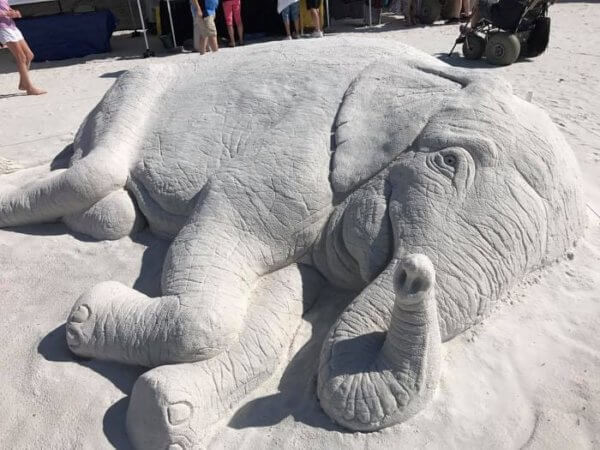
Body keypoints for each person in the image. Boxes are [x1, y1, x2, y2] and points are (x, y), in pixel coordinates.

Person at [0, 0, 45, 95]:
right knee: (21, 57)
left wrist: (15, 12)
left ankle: (23, 84)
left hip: (11, 25)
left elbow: (5, 7)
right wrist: (8, 13)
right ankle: (29, 88)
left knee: (29, 55)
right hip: (2, 27)